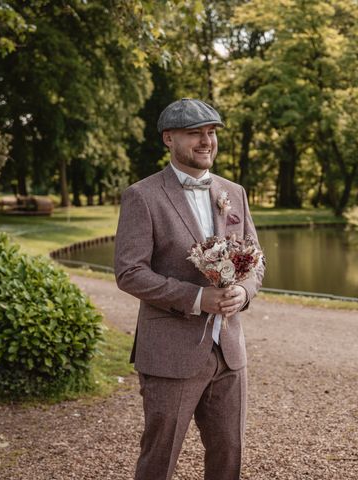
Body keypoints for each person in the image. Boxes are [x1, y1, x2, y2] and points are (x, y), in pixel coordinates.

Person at [114, 98, 264, 480]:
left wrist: (243, 293)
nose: (206, 141)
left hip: (230, 352)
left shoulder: (234, 192)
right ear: (169, 139)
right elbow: (129, 272)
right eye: (194, 133)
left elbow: (256, 260)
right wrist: (198, 298)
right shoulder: (142, 196)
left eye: (211, 133)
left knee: (229, 455)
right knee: (159, 459)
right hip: (170, 353)